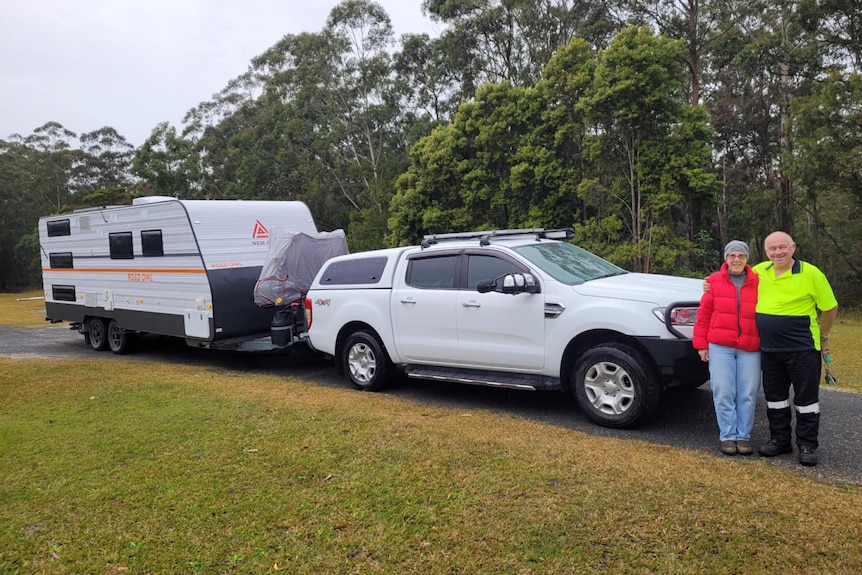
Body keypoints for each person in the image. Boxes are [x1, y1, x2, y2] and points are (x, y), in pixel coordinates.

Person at [753, 231, 838, 466]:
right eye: (772, 248)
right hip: (769, 350)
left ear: (793, 248)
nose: (778, 252)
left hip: (803, 350)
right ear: (766, 251)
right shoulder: (759, 271)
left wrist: (825, 336)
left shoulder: (811, 273)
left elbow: (830, 307)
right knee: (775, 399)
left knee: (806, 400)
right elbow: (732, 276)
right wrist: (710, 283)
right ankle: (780, 440)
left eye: (783, 247)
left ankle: (807, 445)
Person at [693, 240, 761, 456]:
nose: (736, 259)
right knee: (723, 391)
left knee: (747, 393)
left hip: (750, 346)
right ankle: (728, 436)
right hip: (720, 345)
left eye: (741, 255)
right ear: (726, 258)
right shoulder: (713, 281)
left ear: (747, 258)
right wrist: (701, 344)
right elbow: (703, 314)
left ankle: (743, 436)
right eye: (732, 255)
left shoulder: (760, 281)